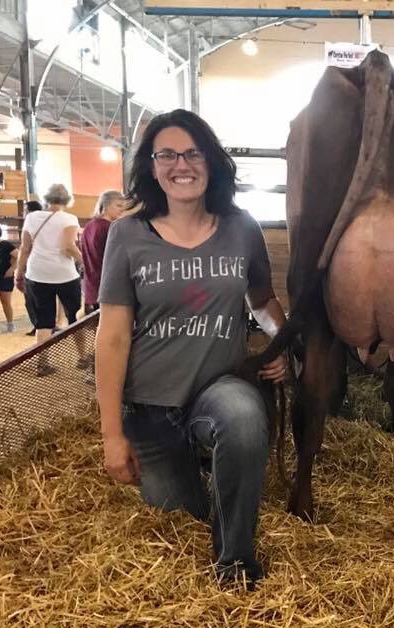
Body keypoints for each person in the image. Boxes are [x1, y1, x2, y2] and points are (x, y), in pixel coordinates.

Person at [96, 109, 288, 589]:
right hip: (151, 407)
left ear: (211, 160)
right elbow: (113, 334)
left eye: (192, 153)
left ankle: (235, 565)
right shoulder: (128, 233)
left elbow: (261, 300)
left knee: (244, 420)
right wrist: (111, 435)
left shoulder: (241, 227)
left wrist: (280, 343)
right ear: (152, 165)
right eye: (167, 154)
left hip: (216, 390)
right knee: (185, 517)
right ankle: (203, 471)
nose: (181, 165)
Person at [14, 184, 87, 374]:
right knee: (74, 317)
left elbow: (25, 248)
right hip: (65, 274)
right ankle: (81, 357)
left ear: (47, 198)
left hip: (37, 274)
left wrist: (19, 272)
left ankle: (43, 363)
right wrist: (84, 260)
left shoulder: (31, 217)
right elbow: (68, 247)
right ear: (67, 200)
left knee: (43, 321)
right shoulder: (69, 219)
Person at [80, 190, 124, 315]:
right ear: (105, 205)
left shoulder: (89, 226)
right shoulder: (110, 228)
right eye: (118, 206)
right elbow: (117, 261)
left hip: (91, 287)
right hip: (108, 289)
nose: (122, 210)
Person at [22, 200, 43, 336]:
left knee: (33, 299)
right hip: (35, 267)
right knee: (32, 300)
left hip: (35, 268)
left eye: (25, 210)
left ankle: (40, 325)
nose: (24, 213)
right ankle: (38, 324)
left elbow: (25, 248)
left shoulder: (31, 224)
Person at [0, 225, 16, 333]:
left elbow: (18, 256)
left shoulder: (6, 245)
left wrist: (12, 269)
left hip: (5, 278)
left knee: (6, 302)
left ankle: (10, 323)